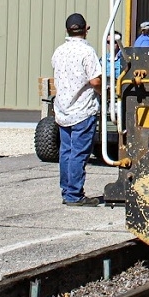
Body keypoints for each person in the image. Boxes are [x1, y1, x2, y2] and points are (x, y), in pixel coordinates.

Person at [50, 13, 103, 207]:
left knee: (66, 152)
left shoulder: (59, 51)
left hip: (63, 109)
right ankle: (74, 194)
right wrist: (104, 92)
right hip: (82, 109)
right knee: (79, 153)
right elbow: (95, 80)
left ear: (67, 30)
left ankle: (67, 190)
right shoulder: (87, 52)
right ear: (86, 29)